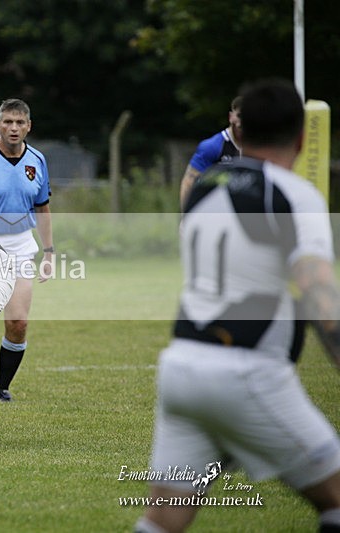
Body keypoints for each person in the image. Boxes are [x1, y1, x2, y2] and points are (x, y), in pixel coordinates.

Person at [136, 79, 340, 533]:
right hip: (247, 371)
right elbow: (317, 290)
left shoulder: (206, 186)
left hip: (181, 369)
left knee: (163, 519)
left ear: (239, 132)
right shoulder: (294, 193)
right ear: (302, 138)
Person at [0, 98, 54, 402]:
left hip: (20, 246)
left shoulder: (37, 161)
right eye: (8, 122)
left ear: (29, 126)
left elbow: (42, 207)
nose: (14, 128)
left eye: (20, 122)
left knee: (18, 323)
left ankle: (2, 387)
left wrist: (50, 251)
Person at [178, 96, 242, 210]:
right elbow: (189, 181)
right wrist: (185, 217)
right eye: (240, 116)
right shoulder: (213, 146)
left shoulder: (260, 147)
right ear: (231, 117)